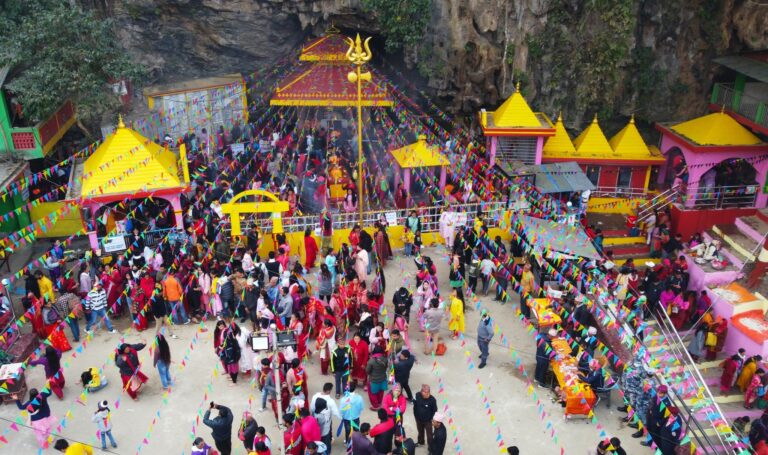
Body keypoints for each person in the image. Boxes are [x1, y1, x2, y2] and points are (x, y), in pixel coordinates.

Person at [414, 384, 437, 449]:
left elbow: (435, 410)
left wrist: (431, 419)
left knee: (429, 436)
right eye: (425, 392)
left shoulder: (432, 400)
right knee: (420, 432)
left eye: (428, 392)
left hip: (428, 421)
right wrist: (416, 415)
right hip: (418, 419)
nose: (427, 394)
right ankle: (421, 442)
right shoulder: (417, 395)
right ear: (421, 392)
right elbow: (414, 403)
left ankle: (430, 448)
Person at [366, 345, 389, 410]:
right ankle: (379, 402)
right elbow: (386, 367)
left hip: (373, 380)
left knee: (373, 393)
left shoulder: (371, 361)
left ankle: (375, 406)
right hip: (383, 378)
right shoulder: (385, 359)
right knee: (380, 392)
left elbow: (367, 371)